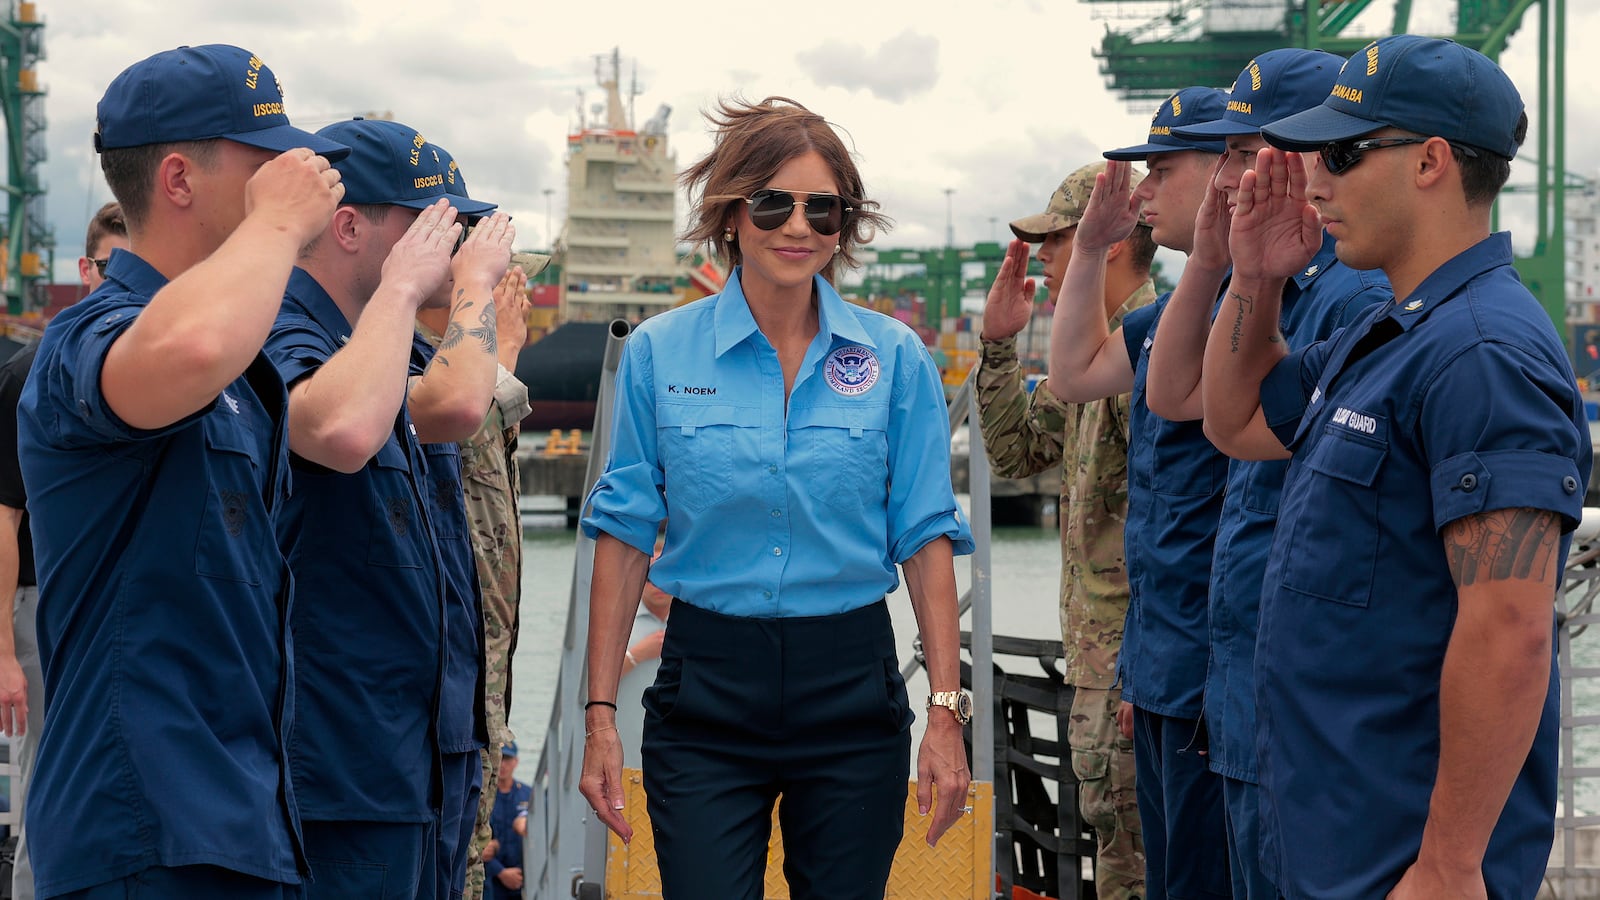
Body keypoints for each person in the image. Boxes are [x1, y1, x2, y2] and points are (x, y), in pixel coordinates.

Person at [1199, 35, 1590, 899]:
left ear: (1431, 163)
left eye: (1343, 152)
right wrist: (1256, 279)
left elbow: (1512, 630)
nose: (1313, 180)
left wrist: (1449, 867)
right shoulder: (1392, 336)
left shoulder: (1483, 354)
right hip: (1326, 834)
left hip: (1400, 862)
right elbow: (1233, 421)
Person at [578, 96, 974, 900]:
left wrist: (944, 715)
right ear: (732, 214)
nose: (798, 226)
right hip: (706, 692)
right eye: (773, 203)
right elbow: (623, 537)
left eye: (822, 209)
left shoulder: (897, 359)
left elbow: (927, 536)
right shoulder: (658, 353)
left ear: (843, 224)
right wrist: (597, 722)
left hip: (852, 689)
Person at [16, 44, 346, 899]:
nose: (294, 177)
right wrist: (278, 226)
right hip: (145, 820)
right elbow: (187, 342)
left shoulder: (242, 368)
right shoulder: (87, 338)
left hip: (240, 816)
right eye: (264, 162)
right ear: (178, 178)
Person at [1137, 49, 1392, 898]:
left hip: (1291, 702)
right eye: (1232, 156)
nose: (1231, 177)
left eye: (1253, 155)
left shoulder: (1348, 296)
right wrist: (1214, 260)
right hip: (1237, 688)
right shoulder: (1268, 277)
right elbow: (1175, 396)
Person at [264, 118, 508, 900]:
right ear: (348, 227)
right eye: (431, 220)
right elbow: (457, 405)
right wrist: (471, 288)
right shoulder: (282, 332)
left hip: (422, 756)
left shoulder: (394, 344)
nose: (455, 239)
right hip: (342, 759)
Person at [1045, 87, 1233, 900]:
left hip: (1207, 683)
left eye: (1161, 168)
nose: (1145, 190)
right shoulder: (1169, 321)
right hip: (1157, 670)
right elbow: (1071, 376)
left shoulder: (1289, 311)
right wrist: (1087, 254)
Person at [975, 161, 1155, 899]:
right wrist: (996, 347)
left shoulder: (1149, 353)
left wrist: (1148, 665)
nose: (1043, 257)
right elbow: (1017, 452)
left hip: (1130, 671)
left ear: (1109, 244)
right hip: (1104, 669)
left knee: (1139, 871)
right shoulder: (1092, 357)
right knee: (1122, 859)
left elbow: (1178, 532)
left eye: (1056, 240)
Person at [0, 202, 127, 900]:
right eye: (114, 266)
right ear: (86, 270)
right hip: (42, 606)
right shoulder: (30, 373)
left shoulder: (139, 369)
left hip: (113, 601)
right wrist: (2, 656)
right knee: (52, 784)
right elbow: (2, 516)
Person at [416, 143, 532, 900]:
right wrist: (496, 352)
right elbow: (466, 472)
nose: (476, 265)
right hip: (431, 716)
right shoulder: (403, 367)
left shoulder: (444, 367)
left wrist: (501, 359)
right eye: (458, 243)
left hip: (470, 708)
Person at [615, 547, 671, 769]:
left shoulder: (694, 625)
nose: (657, 585)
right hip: (626, 756)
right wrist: (637, 655)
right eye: (649, 578)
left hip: (679, 754)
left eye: (664, 574)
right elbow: (587, 688)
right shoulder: (618, 622)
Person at [484, 742, 532, 900]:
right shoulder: (482, 797)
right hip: (490, 879)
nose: (502, 764)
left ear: (515, 762)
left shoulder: (529, 795)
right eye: (499, 758)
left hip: (523, 878)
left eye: (507, 758)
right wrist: (500, 872)